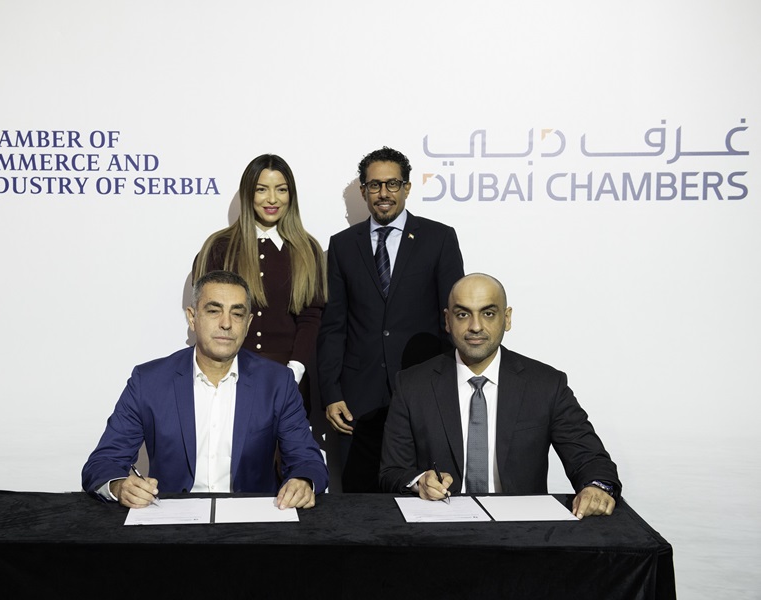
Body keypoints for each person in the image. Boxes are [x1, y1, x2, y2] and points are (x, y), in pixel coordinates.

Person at [380, 273, 621, 518]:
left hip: (522, 528)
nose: (475, 326)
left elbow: (590, 459)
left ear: (507, 319)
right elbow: (391, 472)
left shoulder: (546, 384)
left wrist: (596, 487)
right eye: (463, 314)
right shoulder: (412, 385)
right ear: (448, 320)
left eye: (488, 313)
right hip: (442, 524)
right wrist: (419, 481)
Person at [82, 270, 328, 509]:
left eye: (237, 314)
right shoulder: (148, 381)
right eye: (213, 311)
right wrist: (120, 486)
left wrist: (303, 481)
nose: (226, 324)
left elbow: (307, 460)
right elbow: (104, 461)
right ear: (192, 318)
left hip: (251, 519)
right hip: (170, 519)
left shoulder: (277, 382)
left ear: (248, 323)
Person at [317, 147, 465, 492]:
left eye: (392, 184)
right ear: (364, 191)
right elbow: (334, 324)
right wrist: (331, 393)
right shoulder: (342, 245)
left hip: (423, 392)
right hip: (358, 401)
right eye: (375, 185)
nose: (383, 193)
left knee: (425, 495)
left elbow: (453, 319)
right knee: (359, 500)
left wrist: (450, 388)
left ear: (407, 187)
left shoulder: (439, 238)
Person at [194, 154, 326, 415]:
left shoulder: (307, 249)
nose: (272, 199)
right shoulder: (218, 247)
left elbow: (310, 318)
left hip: (289, 380)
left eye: (281, 190)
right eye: (262, 189)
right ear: (248, 193)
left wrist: (293, 372)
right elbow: (208, 315)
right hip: (227, 378)